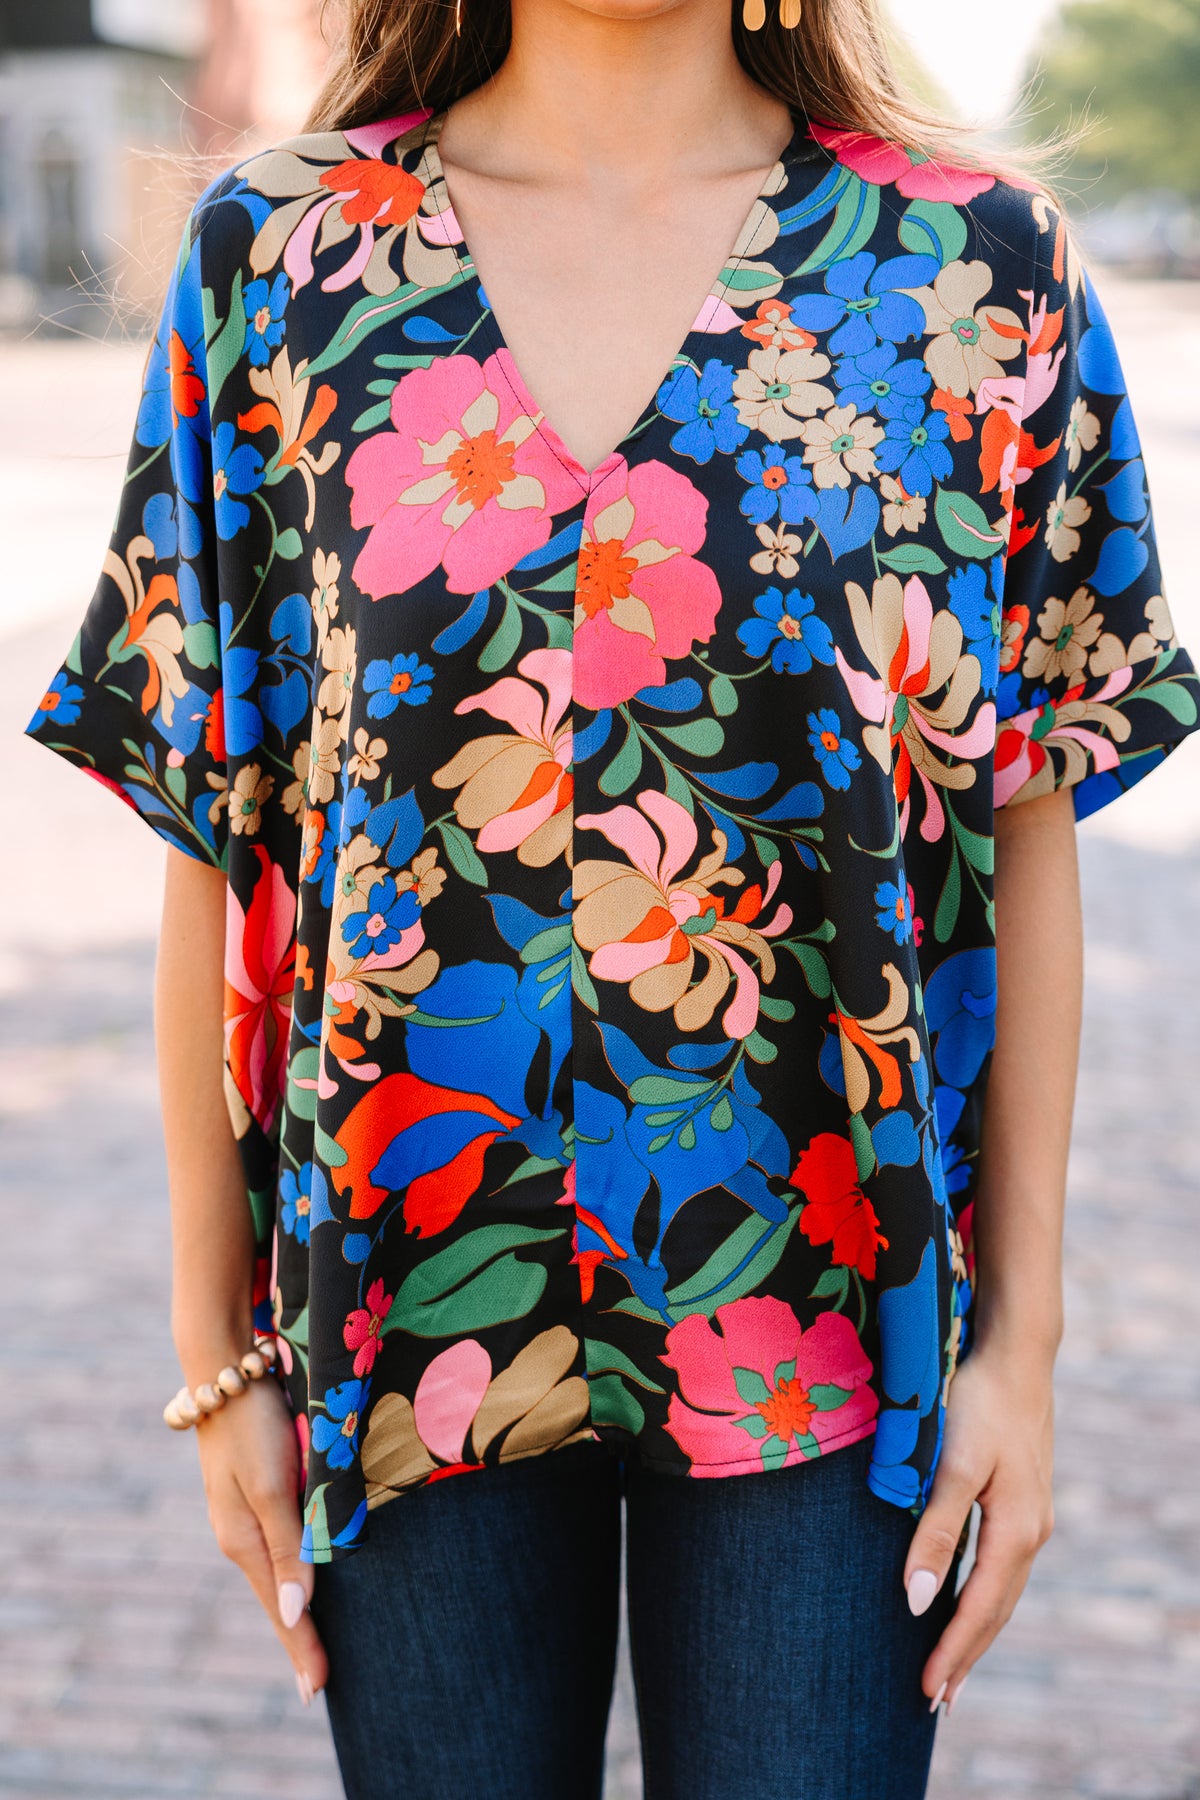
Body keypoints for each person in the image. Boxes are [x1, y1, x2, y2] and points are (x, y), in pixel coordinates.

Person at [23, 0, 1200, 1795]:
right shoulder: (283, 257)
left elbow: (1026, 824)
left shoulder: (976, 275)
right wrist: (220, 1357)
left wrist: (1020, 1356)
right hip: (403, 1305)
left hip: (826, 1315)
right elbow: (216, 814)